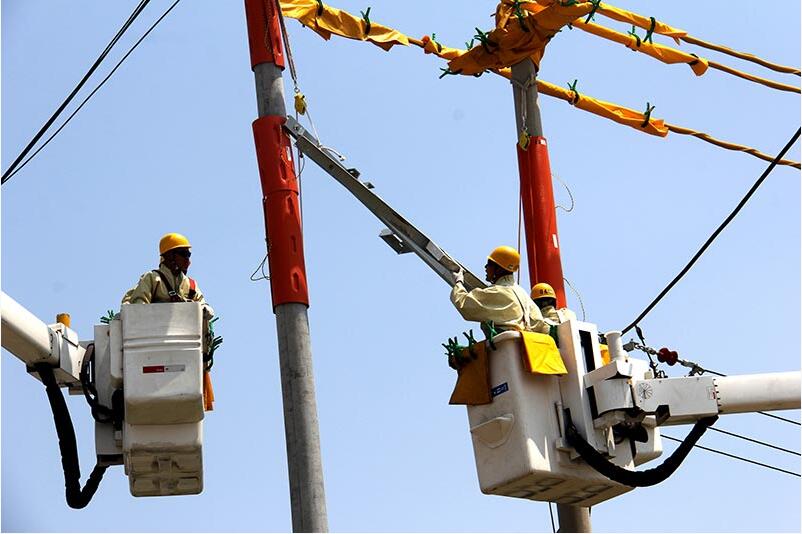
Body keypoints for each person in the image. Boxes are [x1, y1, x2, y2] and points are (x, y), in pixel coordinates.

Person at [450, 245, 549, 336]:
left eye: (489, 264)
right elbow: (541, 326)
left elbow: (465, 305)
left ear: (499, 269)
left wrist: (458, 282)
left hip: (505, 349)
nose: (485, 268)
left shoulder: (497, 292)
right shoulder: (523, 294)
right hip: (532, 349)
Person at [122, 232, 214, 316]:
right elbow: (139, 306)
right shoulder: (152, 278)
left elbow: (203, 305)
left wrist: (204, 309)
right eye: (183, 254)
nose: (187, 259)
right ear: (169, 255)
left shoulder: (191, 285)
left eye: (188, 255)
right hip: (155, 329)